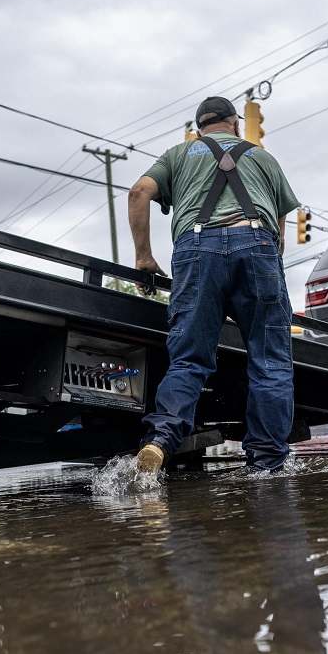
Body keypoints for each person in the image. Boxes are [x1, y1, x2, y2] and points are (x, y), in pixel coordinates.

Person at [128, 95, 299, 473]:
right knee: (270, 361)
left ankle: (159, 441)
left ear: (199, 127)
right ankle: (267, 466)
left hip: (195, 249)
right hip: (255, 244)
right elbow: (281, 228)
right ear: (236, 123)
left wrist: (144, 256)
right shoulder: (262, 157)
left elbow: (139, 192)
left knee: (189, 358)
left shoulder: (177, 154)